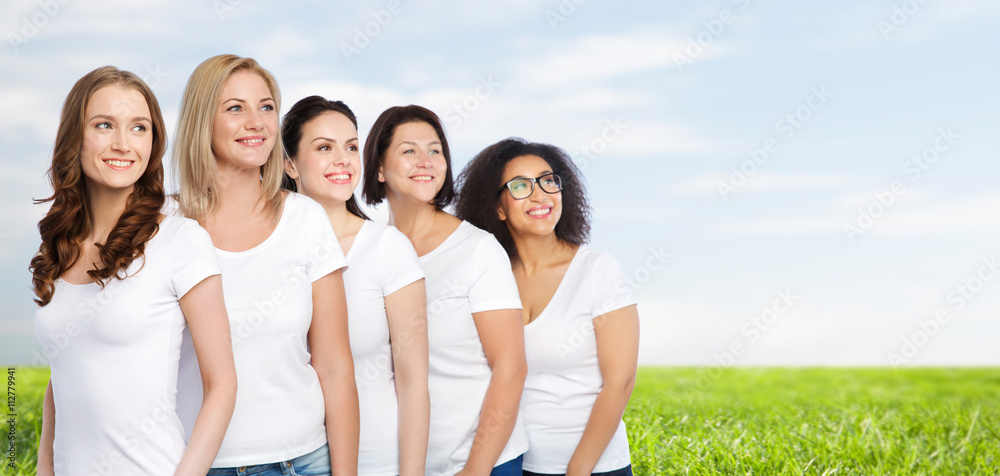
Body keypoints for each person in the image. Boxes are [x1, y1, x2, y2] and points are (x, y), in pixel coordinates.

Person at [30, 66, 237, 475]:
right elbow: (66, 369)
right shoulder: (58, 246)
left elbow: (223, 387)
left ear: (153, 142)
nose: (123, 144)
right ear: (75, 136)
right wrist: (44, 466)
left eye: (139, 128)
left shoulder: (181, 240)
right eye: (104, 125)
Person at [171, 55, 359, 475]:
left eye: (266, 106)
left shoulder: (305, 219)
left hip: (303, 462)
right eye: (235, 107)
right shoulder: (164, 225)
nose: (256, 121)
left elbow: (334, 367)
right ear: (203, 120)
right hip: (196, 464)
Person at [455, 138, 639, 476]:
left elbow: (620, 383)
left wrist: (578, 469)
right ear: (498, 208)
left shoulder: (597, 270)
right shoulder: (490, 279)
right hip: (514, 464)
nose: (540, 194)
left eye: (548, 180)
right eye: (521, 186)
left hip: (595, 468)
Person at [362, 105, 528, 476]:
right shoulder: (369, 251)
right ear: (378, 168)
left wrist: (475, 469)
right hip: (401, 464)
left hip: (480, 464)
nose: (426, 161)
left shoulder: (477, 250)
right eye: (409, 151)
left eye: (435, 150)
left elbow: (511, 367)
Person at [281, 96, 430, 476]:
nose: (343, 159)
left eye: (350, 147)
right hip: (288, 459)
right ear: (289, 164)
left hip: (375, 461)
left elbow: (413, 381)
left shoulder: (387, 248)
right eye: (324, 148)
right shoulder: (271, 249)